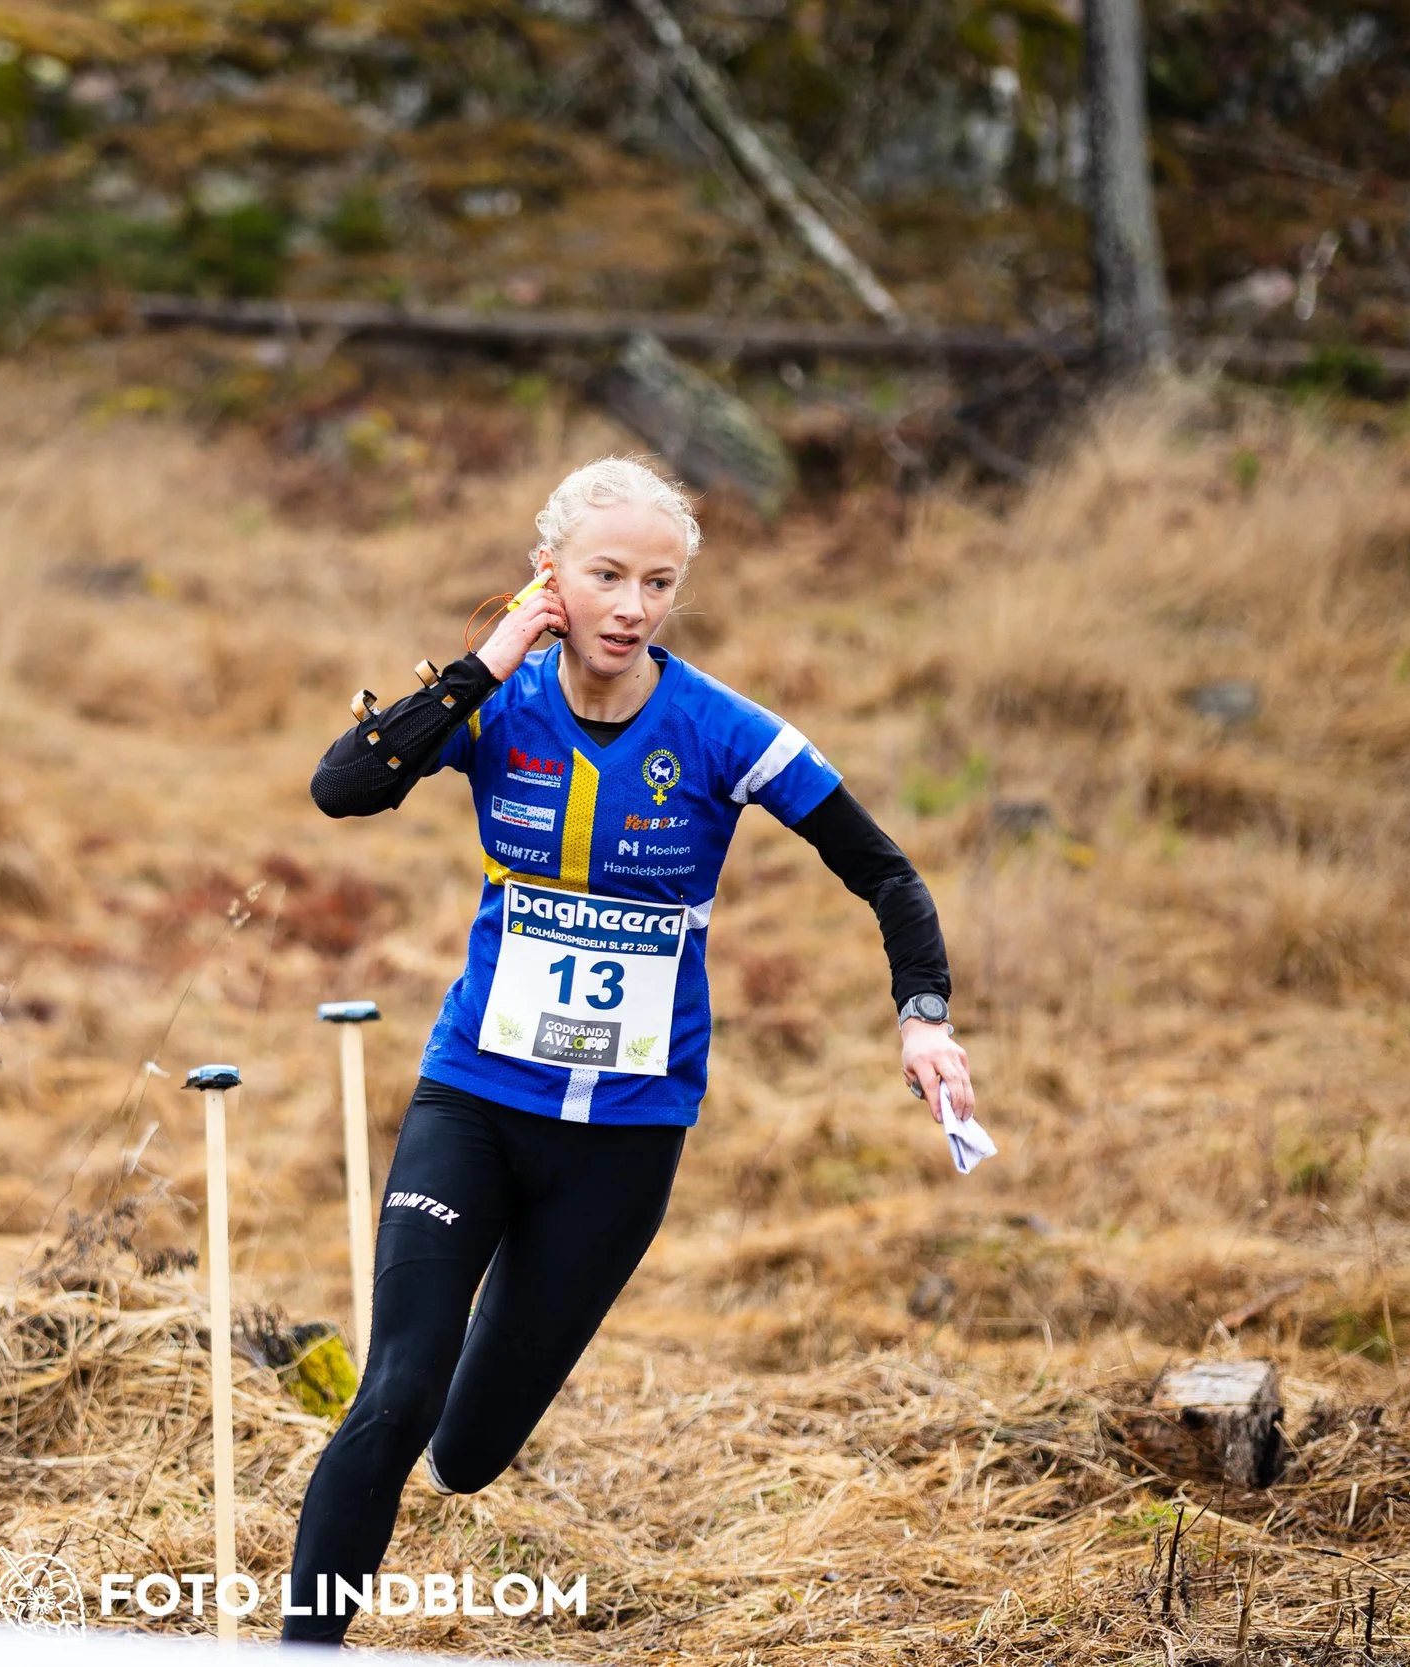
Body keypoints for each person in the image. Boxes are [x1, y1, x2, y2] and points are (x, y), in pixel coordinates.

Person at [282, 456, 972, 1647]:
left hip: (625, 1138)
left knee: (467, 1448)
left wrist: (924, 1015)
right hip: (474, 1098)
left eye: (659, 582)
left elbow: (887, 873)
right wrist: (484, 663)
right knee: (394, 1395)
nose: (632, 606)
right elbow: (341, 788)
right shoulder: (494, 704)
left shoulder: (720, 729)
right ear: (550, 573)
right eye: (607, 575)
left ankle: (468, 1430)